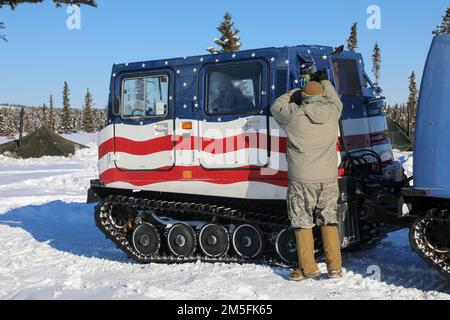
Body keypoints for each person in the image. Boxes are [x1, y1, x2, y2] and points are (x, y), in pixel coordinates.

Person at [270, 72, 344, 281]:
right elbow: (335, 98)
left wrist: (296, 92)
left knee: (302, 222)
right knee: (329, 220)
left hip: (301, 179)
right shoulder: (333, 111)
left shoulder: (294, 114)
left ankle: (309, 268)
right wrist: (325, 81)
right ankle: (335, 267)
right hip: (328, 178)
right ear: (323, 95)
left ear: (304, 96)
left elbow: (276, 106)